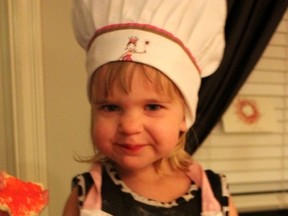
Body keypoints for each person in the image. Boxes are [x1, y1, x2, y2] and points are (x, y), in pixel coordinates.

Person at [64, 0, 238, 215]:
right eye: (110, 107)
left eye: (153, 106)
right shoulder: (86, 194)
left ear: (184, 116)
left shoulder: (214, 193)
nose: (129, 126)